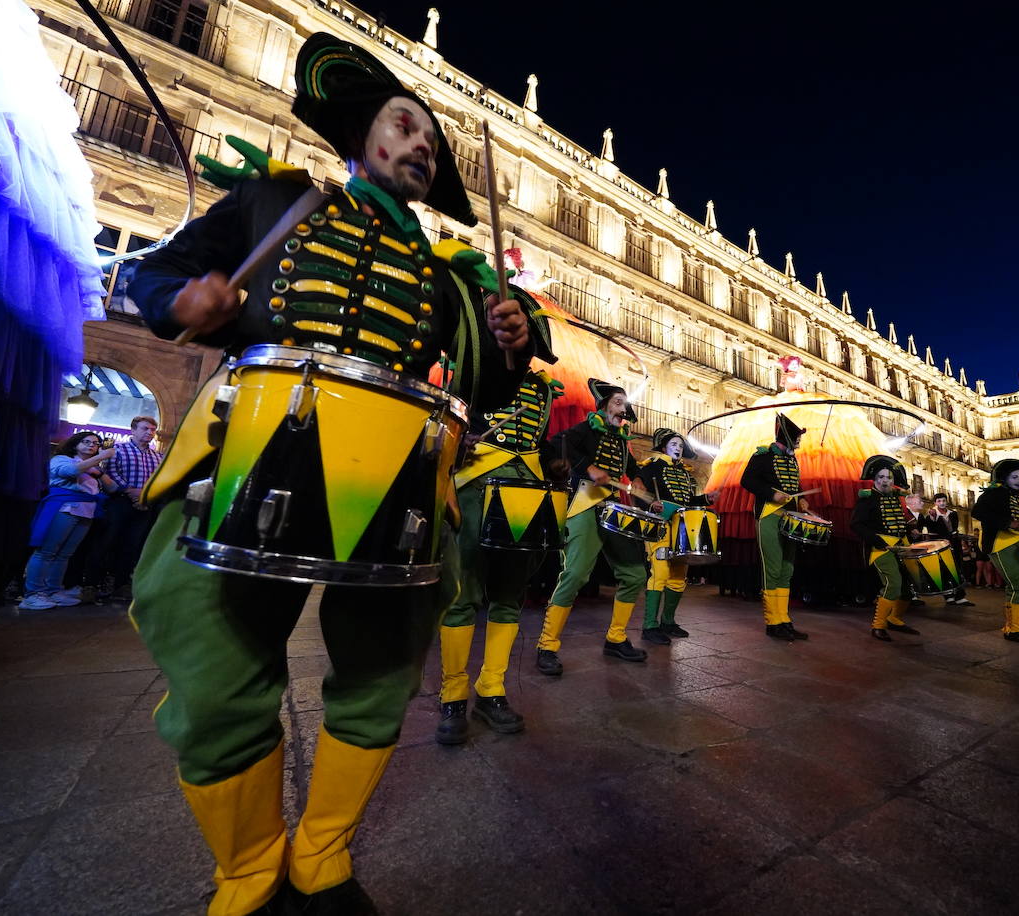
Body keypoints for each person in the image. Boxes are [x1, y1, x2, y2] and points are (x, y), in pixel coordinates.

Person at [124, 33, 544, 915]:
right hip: (246, 458)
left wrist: (507, 346)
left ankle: (322, 855)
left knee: (385, 668)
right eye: (407, 126)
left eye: (434, 140)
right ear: (361, 141)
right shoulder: (274, 203)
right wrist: (181, 302)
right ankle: (247, 869)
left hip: (391, 479)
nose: (424, 144)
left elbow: (484, 386)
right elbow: (153, 276)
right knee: (207, 656)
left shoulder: (447, 277)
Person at [436, 368, 564, 745]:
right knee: (464, 591)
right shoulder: (472, 366)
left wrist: (552, 463)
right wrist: (458, 443)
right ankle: (453, 694)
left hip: (527, 488)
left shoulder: (543, 389)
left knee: (510, 596)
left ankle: (491, 688)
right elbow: (442, 422)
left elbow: (536, 441)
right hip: (476, 481)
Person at [535, 379, 649, 674]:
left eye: (625, 404)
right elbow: (555, 446)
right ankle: (547, 645)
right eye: (617, 403)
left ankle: (616, 638)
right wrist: (587, 467)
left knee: (635, 574)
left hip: (612, 507)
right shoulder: (586, 429)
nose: (623, 409)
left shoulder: (622, 439)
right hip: (585, 502)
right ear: (603, 406)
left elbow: (629, 468)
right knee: (574, 574)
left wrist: (636, 478)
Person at [633, 428, 715, 644]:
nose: (678, 448)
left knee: (679, 576)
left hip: (682, 527)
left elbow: (688, 501)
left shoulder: (686, 473)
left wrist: (706, 499)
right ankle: (650, 626)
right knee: (659, 573)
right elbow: (637, 490)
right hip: (658, 525)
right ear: (663, 447)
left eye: (680, 445)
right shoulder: (652, 466)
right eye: (674, 445)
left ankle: (668, 622)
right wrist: (650, 503)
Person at [18, 432, 115, 610]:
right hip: (65, 508)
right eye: (86, 442)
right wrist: (101, 457)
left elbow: (113, 487)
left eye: (95, 443)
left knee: (65, 554)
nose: (91, 445)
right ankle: (32, 593)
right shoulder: (62, 459)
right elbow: (69, 472)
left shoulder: (94, 467)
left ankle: (53, 590)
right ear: (75, 444)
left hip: (86, 511)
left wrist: (100, 470)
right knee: (47, 551)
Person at [740, 414, 812, 641]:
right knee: (772, 569)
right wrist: (772, 494)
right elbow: (747, 481)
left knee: (787, 569)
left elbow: (794, 484)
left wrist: (800, 499)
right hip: (769, 515)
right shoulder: (763, 456)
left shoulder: (792, 459)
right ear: (787, 438)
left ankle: (784, 619)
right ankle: (773, 622)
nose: (799, 442)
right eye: (797, 438)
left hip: (790, 516)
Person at [83, 415, 162, 601]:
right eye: (145, 428)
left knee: (133, 545)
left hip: (144, 504)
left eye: (152, 429)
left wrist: (145, 495)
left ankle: (121, 584)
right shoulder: (117, 450)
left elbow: (158, 479)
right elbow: (110, 472)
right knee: (106, 541)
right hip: (119, 501)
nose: (149, 432)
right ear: (133, 430)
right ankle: (90, 584)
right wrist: (129, 490)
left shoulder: (158, 457)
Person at [971, 459, 1019, 645]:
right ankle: (1016, 630)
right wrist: (1008, 523)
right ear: (1004, 479)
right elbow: (978, 511)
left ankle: (1010, 626)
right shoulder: (996, 492)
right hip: (1001, 544)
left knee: (1015, 587)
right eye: (1014, 477)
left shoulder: (1010, 496)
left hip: (1015, 544)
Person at [850, 455, 919, 642]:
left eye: (888, 477)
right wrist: (877, 540)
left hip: (902, 546)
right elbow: (856, 525)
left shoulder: (897, 498)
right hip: (881, 548)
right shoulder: (867, 498)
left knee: (909, 584)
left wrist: (911, 530)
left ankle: (894, 619)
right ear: (875, 479)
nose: (885, 481)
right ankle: (878, 625)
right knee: (893, 583)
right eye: (881, 477)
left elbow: (898, 522)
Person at [923, 492, 975, 607]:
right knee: (944, 571)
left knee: (957, 570)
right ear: (935, 503)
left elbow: (954, 529)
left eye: (943, 501)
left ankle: (960, 596)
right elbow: (931, 530)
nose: (942, 503)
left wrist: (955, 537)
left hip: (954, 546)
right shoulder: (931, 515)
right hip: (941, 547)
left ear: (946, 502)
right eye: (939, 501)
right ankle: (948, 596)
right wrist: (933, 518)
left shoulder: (953, 514)